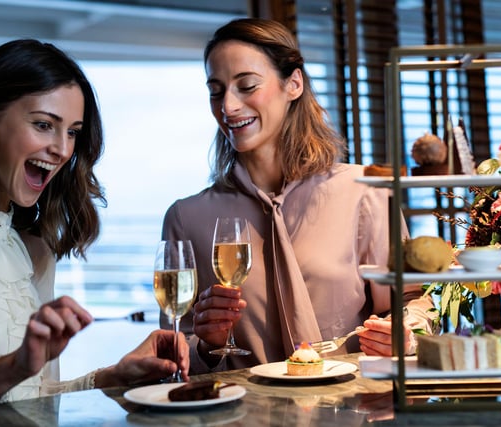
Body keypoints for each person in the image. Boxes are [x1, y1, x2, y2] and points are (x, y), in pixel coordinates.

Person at [0, 39, 189, 417]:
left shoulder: (34, 248)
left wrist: (113, 377)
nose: (63, 150)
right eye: (44, 125)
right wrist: (10, 369)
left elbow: (33, 400)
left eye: (72, 132)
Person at [161, 18, 435, 374]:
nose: (228, 106)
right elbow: (174, 355)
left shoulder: (365, 191)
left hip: (356, 409)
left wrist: (403, 334)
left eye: (246, 86)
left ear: (293, 84)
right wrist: (208, 344)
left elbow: (413, 304)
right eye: (216, 91)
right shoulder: (187, 217)